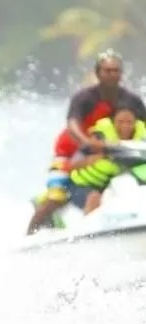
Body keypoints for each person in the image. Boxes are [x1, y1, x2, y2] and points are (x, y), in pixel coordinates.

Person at [40, 50, 146, 207]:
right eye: (107, 71)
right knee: (56, 196)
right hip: (72, 152)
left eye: (116, 71)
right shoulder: (84, 97)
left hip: (113, 152)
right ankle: (36, 222)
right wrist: (87, 142)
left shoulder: (131, 100)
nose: (112, 75)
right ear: (98, 73)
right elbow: (73, 124)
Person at [27, 105, 146, 234]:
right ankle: (89, 235)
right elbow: (73, 163)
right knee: (93, 196)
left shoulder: (138, 142)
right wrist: (99, 156)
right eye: (120, 122)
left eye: (129, 122)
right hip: (79, 185)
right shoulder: (98, 139)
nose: (125, 126)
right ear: (113, 122)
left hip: (106, 186)